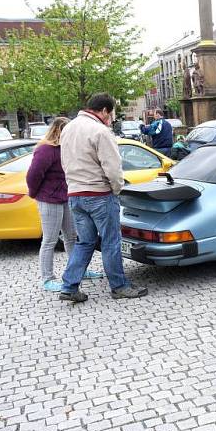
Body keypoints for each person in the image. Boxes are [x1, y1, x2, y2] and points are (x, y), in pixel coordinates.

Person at [59, 93, 148, 302]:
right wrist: (117, 190)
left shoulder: (68, 128)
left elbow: (64, 162)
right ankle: (119, 286)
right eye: (111, 114)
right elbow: (113, 168)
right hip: (99, 194)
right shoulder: (101, 131)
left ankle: (69, 286)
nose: (111, 119)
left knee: (85, 242)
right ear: (105, 111)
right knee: (111, 241)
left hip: (75, 194)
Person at [26, 117, 103, 292]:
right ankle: (47, 278)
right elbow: (33, 175)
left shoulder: (66, 148)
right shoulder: (45, 150)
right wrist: (35, 194)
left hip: (66, 197)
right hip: (49, 200)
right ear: (60, 131)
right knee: (50, 240)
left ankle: (77, 271)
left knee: (72, 237)